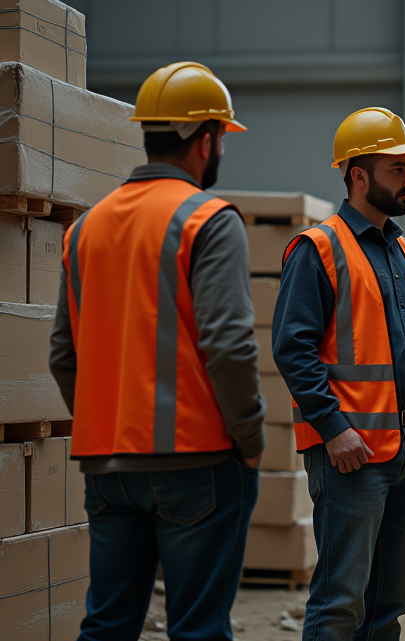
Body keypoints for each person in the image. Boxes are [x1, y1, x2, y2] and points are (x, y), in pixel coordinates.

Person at [49, 62, 265, 641]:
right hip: (197, 461)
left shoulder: (86, 228)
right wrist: (249, 439)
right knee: (198, 630)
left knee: (108, 626)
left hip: (108, 466)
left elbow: (63, 355)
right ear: (206, 139)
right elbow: (228, 347)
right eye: (221, 137)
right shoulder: (208, 220)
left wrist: (104, 425)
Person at [271, 107, 405, 641]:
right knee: (340, 602)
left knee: (391, 601)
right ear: (358, 175)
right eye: (398, 168)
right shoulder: (317, 249)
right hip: (352, 454)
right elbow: (292, 348)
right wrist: (333, 429)